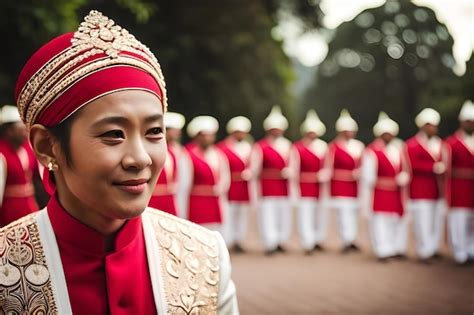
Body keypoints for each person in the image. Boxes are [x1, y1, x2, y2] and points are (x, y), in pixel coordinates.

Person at [2, 10, 238, 314]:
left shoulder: (205, 257)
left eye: (154, 131)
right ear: (48, 146)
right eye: (114, 134)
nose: (140, 158)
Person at [361, 112, 409, 261]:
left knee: (395, 220)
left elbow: (405, 169)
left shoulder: (398, 149)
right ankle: (382, 249)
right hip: (380, 191)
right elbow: (369, 176)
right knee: (381, 221)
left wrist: (403, 177)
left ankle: (394, 247)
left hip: (396, 192)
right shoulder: (372, 151)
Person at [177, 115, 231, 234]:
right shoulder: (187, 155)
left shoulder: (218, 154)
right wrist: (182, 209)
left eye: (210, 135)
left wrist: (220, 190)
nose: (207, 138)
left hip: (215, 201)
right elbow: (184, 184)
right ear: (197, 136)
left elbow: (225, 177)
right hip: (196, 203)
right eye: (204, 135)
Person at [250, 105, 292, 255]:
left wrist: (290, 172)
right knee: (268, 214)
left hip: (283, 186)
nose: (276, 131)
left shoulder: (287, 145)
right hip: (267, 185)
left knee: (283, 213)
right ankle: (270, 242)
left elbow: (293, 164)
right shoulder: (260, 146)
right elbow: (255, 168)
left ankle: (281, 240)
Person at [406, 108, 445, 262]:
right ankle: (424, 251)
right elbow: (413, 164)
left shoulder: (440, 144)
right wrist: (433, 168)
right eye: (429, 125)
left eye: (434, 125)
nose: (432, 128)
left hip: (436, 189)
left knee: (436, 220)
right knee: (422, 221)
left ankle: (433, 247)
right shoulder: (412, 144)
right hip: (420, 190)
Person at [289, 110, 330, 254]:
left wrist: (325, 174)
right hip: (304, 186)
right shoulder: (298, 147)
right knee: (305, 214)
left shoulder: (324, 146)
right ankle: (308, 242)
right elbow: (294, 169)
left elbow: (328, 165)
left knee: (320, 214)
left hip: (320, 186)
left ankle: (318, 238)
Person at [327, 109, 365, 252]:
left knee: (353, 212)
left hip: (355, 185)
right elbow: (329, 167)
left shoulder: (359, 146)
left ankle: (352, 238)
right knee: (343, 214)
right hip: (340, 185)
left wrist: (360, 173)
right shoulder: (333, 147)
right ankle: (346, 239)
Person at [444, 100, 474, 264]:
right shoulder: (451, 142)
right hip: (459, 188)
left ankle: (471, 249)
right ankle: (459, 252)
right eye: (468, 121)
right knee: (459, 221)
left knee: (471, 222)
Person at [217, 116, 253, 252]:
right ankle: (228, 240)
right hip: (230, 185)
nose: (241, 134)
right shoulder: (222, 147)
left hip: (243, 186)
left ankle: (239, 239)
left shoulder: (249, 147)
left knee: (242, 213)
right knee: (228, 213)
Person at [0, 105, 40, 227]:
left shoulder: (28, 149)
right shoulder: (2, 154)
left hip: (31, 208)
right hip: (10, 214)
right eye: (21, 129)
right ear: (9, 131)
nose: (25, 133)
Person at [148, 112, 185, 216]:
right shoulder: (151, 149)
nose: (178, 134)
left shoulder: (176, 151)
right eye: (175, 131)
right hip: (153, 200)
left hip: (170, 200)